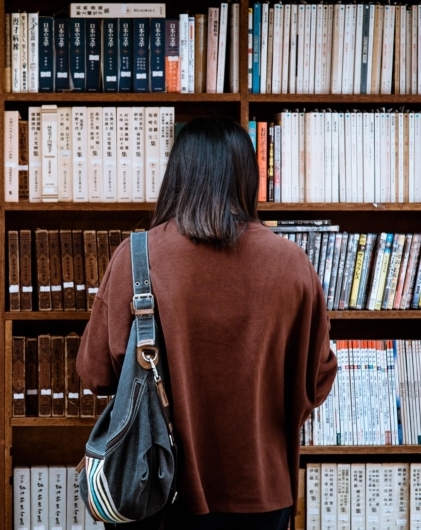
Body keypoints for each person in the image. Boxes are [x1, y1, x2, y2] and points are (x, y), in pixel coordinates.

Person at [76, 116, 337, 530]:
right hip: (262, 492)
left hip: (156, 488)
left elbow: (96, 374)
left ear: (177, 175)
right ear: (247, 178)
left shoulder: (136, 256)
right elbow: (318, 381)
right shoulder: (292, 264)